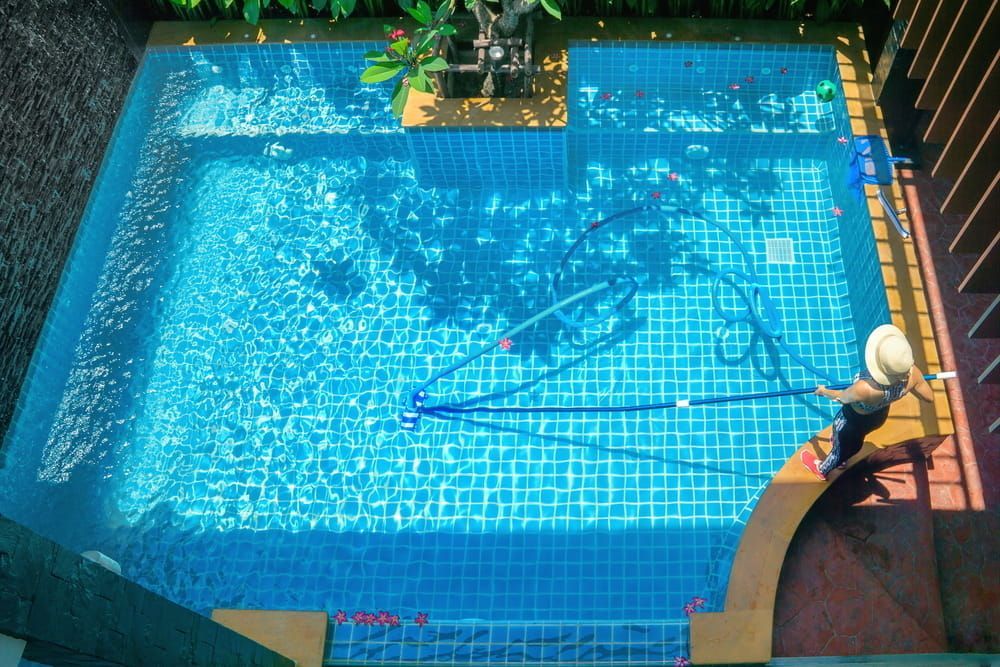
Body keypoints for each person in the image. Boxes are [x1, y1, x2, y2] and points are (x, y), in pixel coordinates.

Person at [801, 324, 934, 481]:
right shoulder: (913, 374)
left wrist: (823, 391)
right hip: (877, 417)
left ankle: (823, 469)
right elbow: (929, 398)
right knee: (849, 442)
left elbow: (841, 397)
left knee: (843, 446)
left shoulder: (865, 388)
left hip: (852, 422)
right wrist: (912, 386)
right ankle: (840, 449)